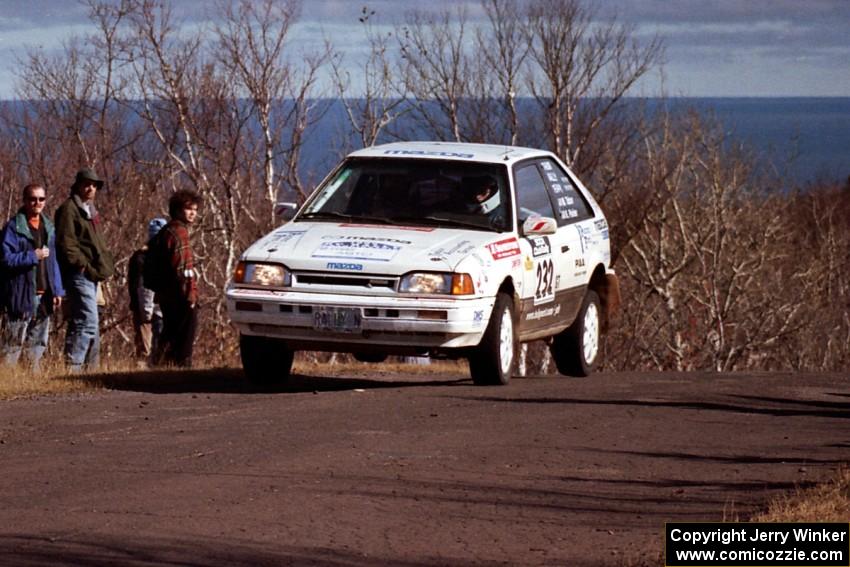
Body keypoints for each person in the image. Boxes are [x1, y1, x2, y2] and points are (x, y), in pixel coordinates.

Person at [55, 168, 115, 372]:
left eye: (94, 185)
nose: (91, 188)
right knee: (86, 322)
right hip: (79, 274)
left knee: (92, 323)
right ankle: (73, 369)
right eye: (87, 184)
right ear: (78, 185)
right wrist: (83, 266)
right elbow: (66, 243)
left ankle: (91, 371)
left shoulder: (90, 210)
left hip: (92, 275)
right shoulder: (69, 209)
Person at [0, 184, 66, 371]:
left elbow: (54, 262)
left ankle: (31, 380)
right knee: (13, 342)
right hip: (21, 293)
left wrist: (57, 290)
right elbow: (5, 259)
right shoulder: (13, 227)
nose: (37, 203)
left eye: (41, 199)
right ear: (24, 200)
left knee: (38, 343)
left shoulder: (48, 227)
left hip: (45, 294)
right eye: (32, 199)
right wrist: (32, 256)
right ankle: (6, 381)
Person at [151, 190, 201, 368]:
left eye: (195, 209)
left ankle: (161, 365)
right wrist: (191, 294)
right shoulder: (179, 232)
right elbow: (183, 268)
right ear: (178, 210)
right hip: (179, 294)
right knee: (184, 335)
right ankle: (182, 367)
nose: (193, 213)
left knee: (169, 331)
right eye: (188, 208)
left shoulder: (166, 230)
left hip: (165, 293)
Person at [128, 218, 167, 364]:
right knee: (146, 348)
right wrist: (146, 309)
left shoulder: (161, 256)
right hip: (145, 309)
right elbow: (140, 285)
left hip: (158, 309)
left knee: (158, 345)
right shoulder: (142, 257)